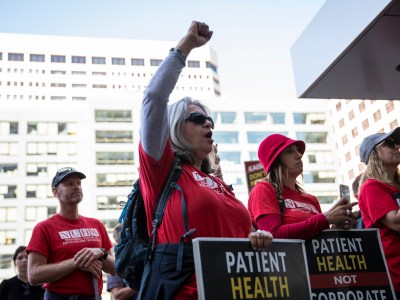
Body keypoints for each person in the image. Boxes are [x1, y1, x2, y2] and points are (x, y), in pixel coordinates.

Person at [138, 21, 273, 299]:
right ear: (174, 127)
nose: (208, 126)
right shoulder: (162, 171)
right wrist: (185, 46)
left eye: (210, 120)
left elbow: (242, 235)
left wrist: (258, 238)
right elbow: (153, 98)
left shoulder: (218, 183)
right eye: (198, 119)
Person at [26, 167, 115, 299]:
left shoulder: (96, 224)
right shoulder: (43, 228)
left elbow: (114, 268)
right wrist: (77, 262)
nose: (76, 187)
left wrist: (101, 252)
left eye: (78, 183)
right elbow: (33, 275)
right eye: (69, 184)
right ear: (55, 192)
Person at [248, 134, 358, 240]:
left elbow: (317, 238)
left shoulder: (312, 199)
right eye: (289, 151)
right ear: (276, 163)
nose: (299, 155)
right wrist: (325, 218)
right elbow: (273, 235)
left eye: (297, 150)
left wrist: (337, 226)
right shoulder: (263, 189)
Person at [357, 127, 400, 297]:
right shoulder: (371, 187)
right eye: (389, 144)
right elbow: (396, 222)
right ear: (374, 154)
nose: (397, 146)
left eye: (397, 143)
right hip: (395, 276)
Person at [107, 224, 137, 300]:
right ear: (117, 241)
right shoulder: (117, 262)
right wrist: (142, 282)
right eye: (126, 239)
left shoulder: (140, 258)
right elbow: (117, 295)